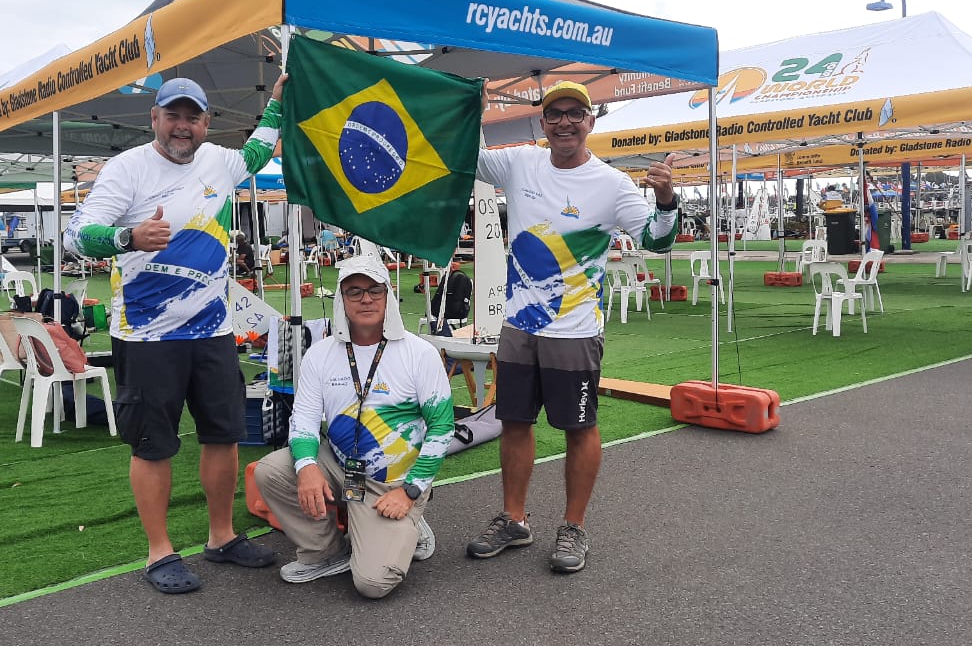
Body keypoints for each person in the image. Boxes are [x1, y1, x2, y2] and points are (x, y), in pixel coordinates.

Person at [63, 74, 287, 594]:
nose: (182, 126)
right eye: (173, 116)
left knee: (224, 435)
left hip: (212, 330)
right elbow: (76, 235)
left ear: (206, 123)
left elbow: (257, 152)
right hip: (147, 337)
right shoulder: (128, 168)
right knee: (153, 445)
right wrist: (127, 237)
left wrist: (276, 102)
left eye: (192, 117)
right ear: (155, 119)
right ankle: (159, 551)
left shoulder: (221, 162)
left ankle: (221, 536)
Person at [466, 80, 680, 573]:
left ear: (590, 121)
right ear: (542, 122)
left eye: (575, 113)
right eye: (555, 114)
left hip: (575, 332)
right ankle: (514, 519)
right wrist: (470, 111)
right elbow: (466, 159)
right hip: (519, 326)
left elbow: (657, 241)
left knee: (579, 428)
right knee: (514, 422)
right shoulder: (520, 163)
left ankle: (574, 528)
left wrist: (666, 199)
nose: (565, 122)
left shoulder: (611, 184)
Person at [253, 256, 454, 598]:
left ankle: (411, 520)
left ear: (388, 296)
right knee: (271, 471)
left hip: (395, 483)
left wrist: (410, 490)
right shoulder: (320, 355)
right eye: (355, 291)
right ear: (341, 299)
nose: (366, 299)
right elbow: (303, 420)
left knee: (373, 584)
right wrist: (306, 467)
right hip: (342, 465)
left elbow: (442, 427)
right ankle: (325, 553)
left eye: (375, 290)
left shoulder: (419, 353)